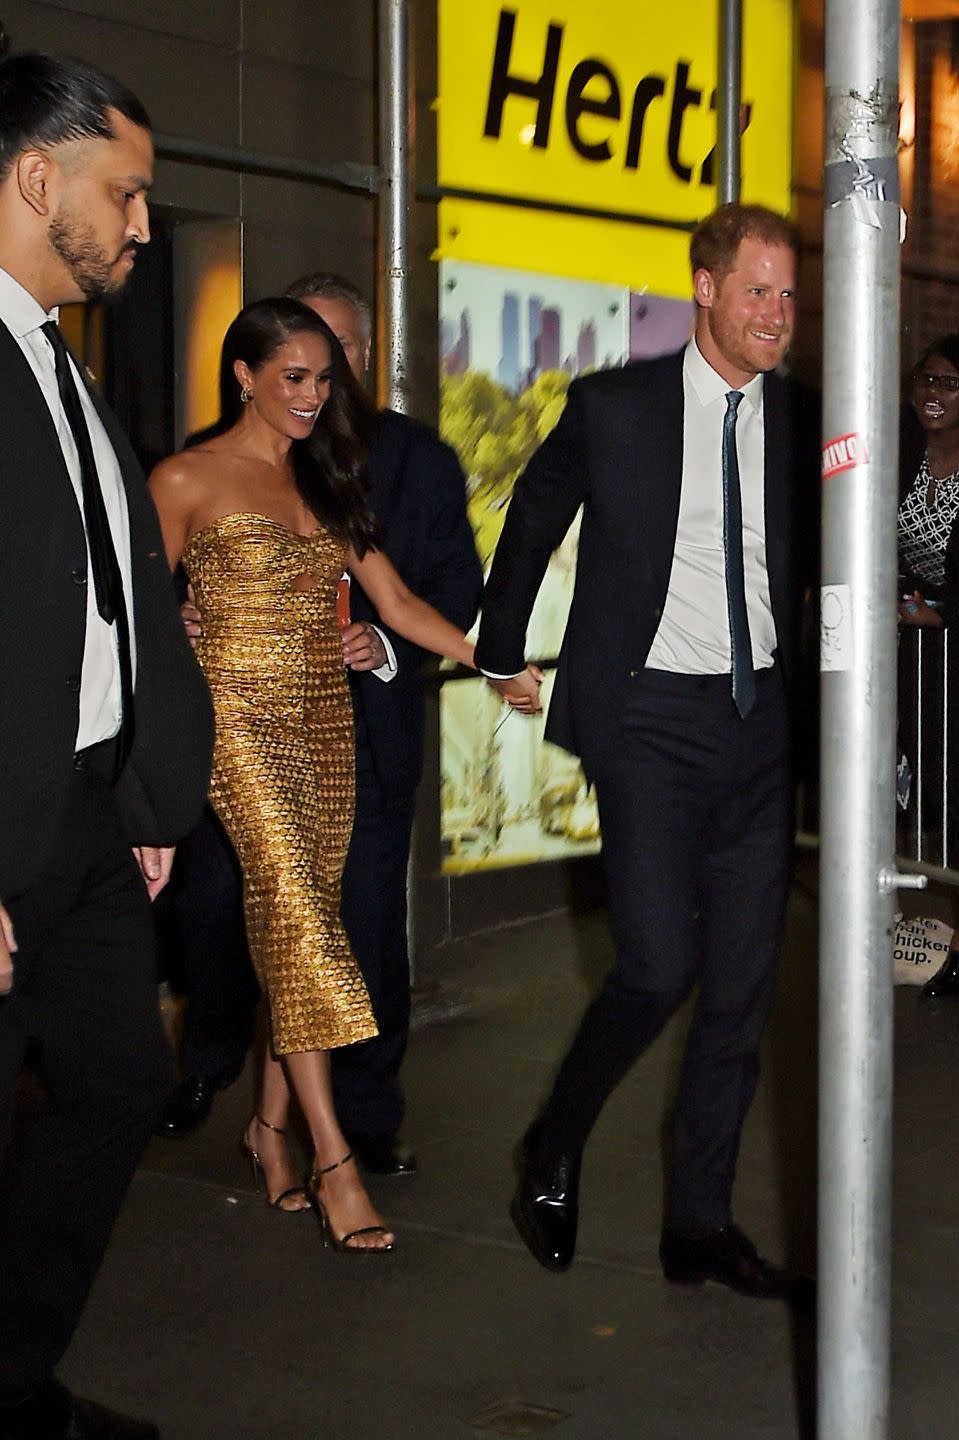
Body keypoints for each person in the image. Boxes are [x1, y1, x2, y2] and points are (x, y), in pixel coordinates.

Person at [476, 202, 815, 1297]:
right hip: (647, 724)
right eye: (756, 289)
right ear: (704, 288)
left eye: (788, 292)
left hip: (757, 725)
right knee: (658, 965)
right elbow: (534, 508)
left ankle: (697, 1228)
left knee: (739, 991)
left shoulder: (806, 419)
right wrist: (498, 647)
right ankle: (553, 1140)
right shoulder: (616, 406)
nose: (776, 312)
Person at [149, 296, 490, 1251]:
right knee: (299, 917)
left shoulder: (327, 480)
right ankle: (333, 1159)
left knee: (300, 923)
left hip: (327, 730)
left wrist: (486, 659)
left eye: (323, 378)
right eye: (293, 376)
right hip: (235, 731)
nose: (310, 394)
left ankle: (269, 1127)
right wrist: (173, 629)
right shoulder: (182, 476)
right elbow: (128, 607)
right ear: (244, 375)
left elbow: (396, 599)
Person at [0, 31, 213, 1440]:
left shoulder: (67, 377)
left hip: (79, 816)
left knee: (122, 1080)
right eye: (123, 193)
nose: (142, 223)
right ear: (33, 176)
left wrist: (141, 795)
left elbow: (116, 606)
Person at [897, 336, 959, 995]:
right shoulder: (902, 456)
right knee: (912, 786)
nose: (932, 395)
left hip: (947, 641)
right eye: (924, 381)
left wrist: (943, 616)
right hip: (909, 651)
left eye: (948, 383)